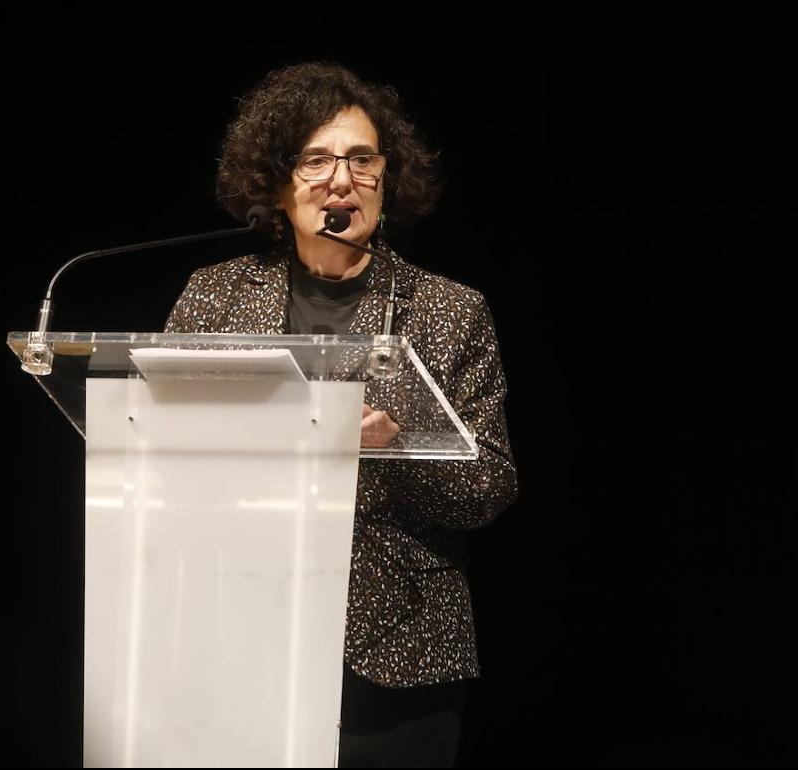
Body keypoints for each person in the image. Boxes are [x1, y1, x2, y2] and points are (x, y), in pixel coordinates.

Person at [165, 62, 518, 767]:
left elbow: (493, 483)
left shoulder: (450, 312)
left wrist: (396, 449)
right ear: (278, 182)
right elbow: (163, 449)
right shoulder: (215, 298)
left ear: (388, 180)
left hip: (399, 651)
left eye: (362, 159)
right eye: (316, 160)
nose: (341, 179)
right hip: (240, 637)